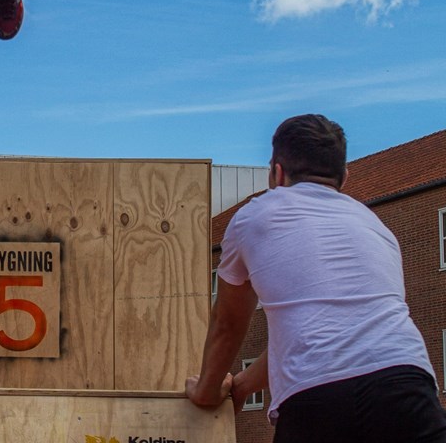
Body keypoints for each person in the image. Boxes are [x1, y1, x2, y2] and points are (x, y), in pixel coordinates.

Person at [186, 114, 446, 443]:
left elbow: (227, 323)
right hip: (407, 384)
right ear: (344, 177)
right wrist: (241, 386)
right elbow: (314, 338)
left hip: (318, 399)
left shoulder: (254, 217)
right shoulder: (375, 225)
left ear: (277, 173)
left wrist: (207, 392)